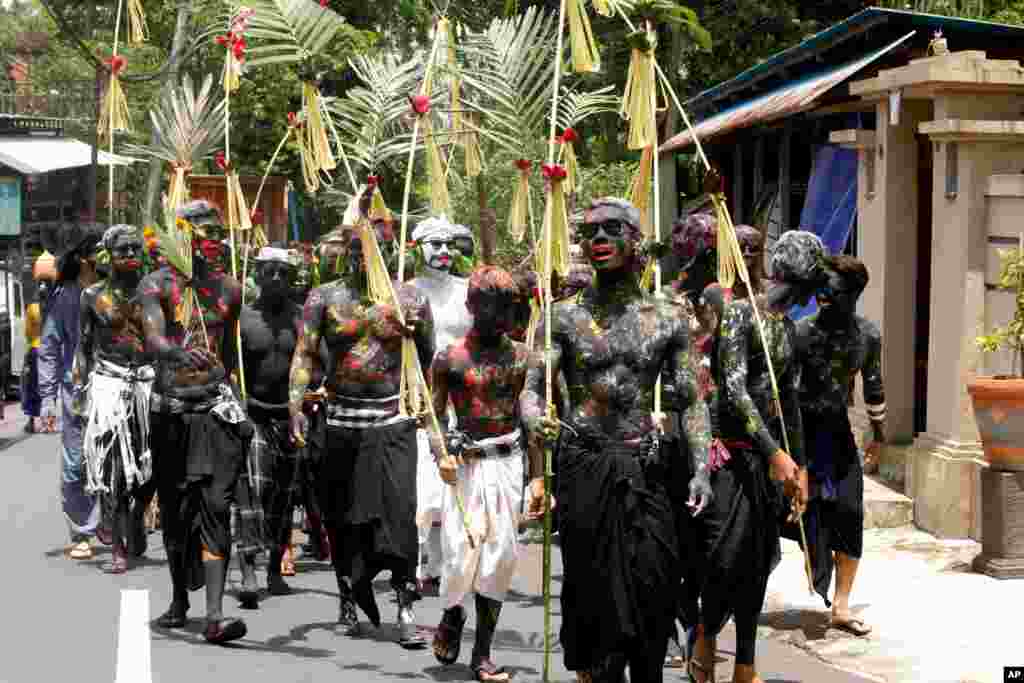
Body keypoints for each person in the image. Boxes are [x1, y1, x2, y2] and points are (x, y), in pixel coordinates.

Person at [520, 197, 713, 683]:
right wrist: (536, 421)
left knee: (652, 591)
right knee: (595, 599)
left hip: (647, 469)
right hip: (584, 466)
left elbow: (690, 400)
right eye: (590, 232)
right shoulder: (560, 317)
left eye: (611, 230)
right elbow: (531, 390)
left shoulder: (667, 317)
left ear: (635, 241)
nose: (598, 240)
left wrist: (702, 468)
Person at [288, 214, 434, 648]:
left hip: (391, 422)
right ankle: (348, 595)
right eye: (356, 249)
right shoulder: (324, 298)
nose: (363, 257)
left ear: (392, 252)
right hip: (339, 424)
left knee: (400, 517)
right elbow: (305, 355)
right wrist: (295, 403)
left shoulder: (410, 299)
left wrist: (426, 400)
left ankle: (406, 607)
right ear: (344, 253)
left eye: (374, 249)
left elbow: (429, 361)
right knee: (344, 519)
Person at [688, 229, 822, 683]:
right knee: (724, 558)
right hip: (730, 454)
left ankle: (745, 663)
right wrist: (774, 453)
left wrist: (799, 465)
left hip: (769, 463)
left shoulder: (787, 329)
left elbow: (790, 403)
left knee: (757, 562)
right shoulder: (742, 315)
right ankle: (705, 632)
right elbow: (735, 391)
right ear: (799, 280)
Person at [144, 200, 251, 645]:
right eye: (202, 231)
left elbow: (228, 356)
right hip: (171, 414)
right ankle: (178, 599)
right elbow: (151, 336)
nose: (211, 239)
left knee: (216, 507)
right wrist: (174, 351)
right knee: (176, 509)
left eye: (215, 231)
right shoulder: (157, 286)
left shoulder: (230, 289)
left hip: (214, 413)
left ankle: (214, 615)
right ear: (183, 235)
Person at [428, 266, 529, 682]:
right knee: (457, 554)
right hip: (464, 466)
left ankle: (482, 653)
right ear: (471, 306)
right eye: (487, 305)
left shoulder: (524, 357)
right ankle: (452, 613)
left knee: (499, 557)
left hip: (507, 462)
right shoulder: (449, 357)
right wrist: (441, 455)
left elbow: (532, 419)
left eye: (504, 306)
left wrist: (539, 478)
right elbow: (434, 416)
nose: (496, 314)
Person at [793, 254, 883, 637]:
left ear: (854, 293)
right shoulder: (800, 332)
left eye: (834, 288)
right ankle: (815, 564)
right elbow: (782, 390)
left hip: (839, 432)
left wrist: (878, 435)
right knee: (806, 516)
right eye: (821, 286)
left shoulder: (867, 335)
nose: (824, 293)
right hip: (800, 434)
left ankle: (842, 607)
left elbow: (874, 385)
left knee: (849, 513)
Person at [75, 225, 156, 573]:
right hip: (109, 385)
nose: (129, 255)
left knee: (152, 465)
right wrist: (81, 391)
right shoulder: (92, 296)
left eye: (135, 249)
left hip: (148, 385)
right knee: (116, 472)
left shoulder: (154, 291)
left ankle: (140, 511)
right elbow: (84, 346)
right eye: (122, 250)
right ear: (109, 254)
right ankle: (119, 548)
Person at [408, 215, 474, 595]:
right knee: (423, 483)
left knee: (454, 480)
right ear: (419, 247)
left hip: (460, 398)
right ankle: (421, 561)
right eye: (436, 244)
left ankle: (450, 560)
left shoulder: (467, 292)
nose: (444, 251)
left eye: (449, 245)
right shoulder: (407, 291)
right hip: (419, 396)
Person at [235, 246, 303, 606]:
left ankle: (275, 567)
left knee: (283, 495)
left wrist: (309, 397)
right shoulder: (244, 319)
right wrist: (236, 407)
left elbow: (314, 361)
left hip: (289, 417)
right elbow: (229, 367)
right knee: (254, 494)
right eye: (270, 272)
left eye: (283, 273)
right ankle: (247, 570)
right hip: (255, 416)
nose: (277, 279)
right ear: (257, 275)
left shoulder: (301, 319)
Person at [39, 226, 103, 560]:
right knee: (77, 462)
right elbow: (49, 349)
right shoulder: (64, 296)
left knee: (116, 459)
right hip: (76, 391)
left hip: (117, 386)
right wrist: (47, 400)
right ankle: (83, 530)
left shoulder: (119, 290)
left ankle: (118, 522)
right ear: (83, 258)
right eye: (98, 252)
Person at [21, 281, 48, 433]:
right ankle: (47, 421)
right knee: (47, 386)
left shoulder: (32, 308)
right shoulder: (52, 309)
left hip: (35, 349)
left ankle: (31, 421)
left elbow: (28, 333)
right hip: (50, 352)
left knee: (31, 385)